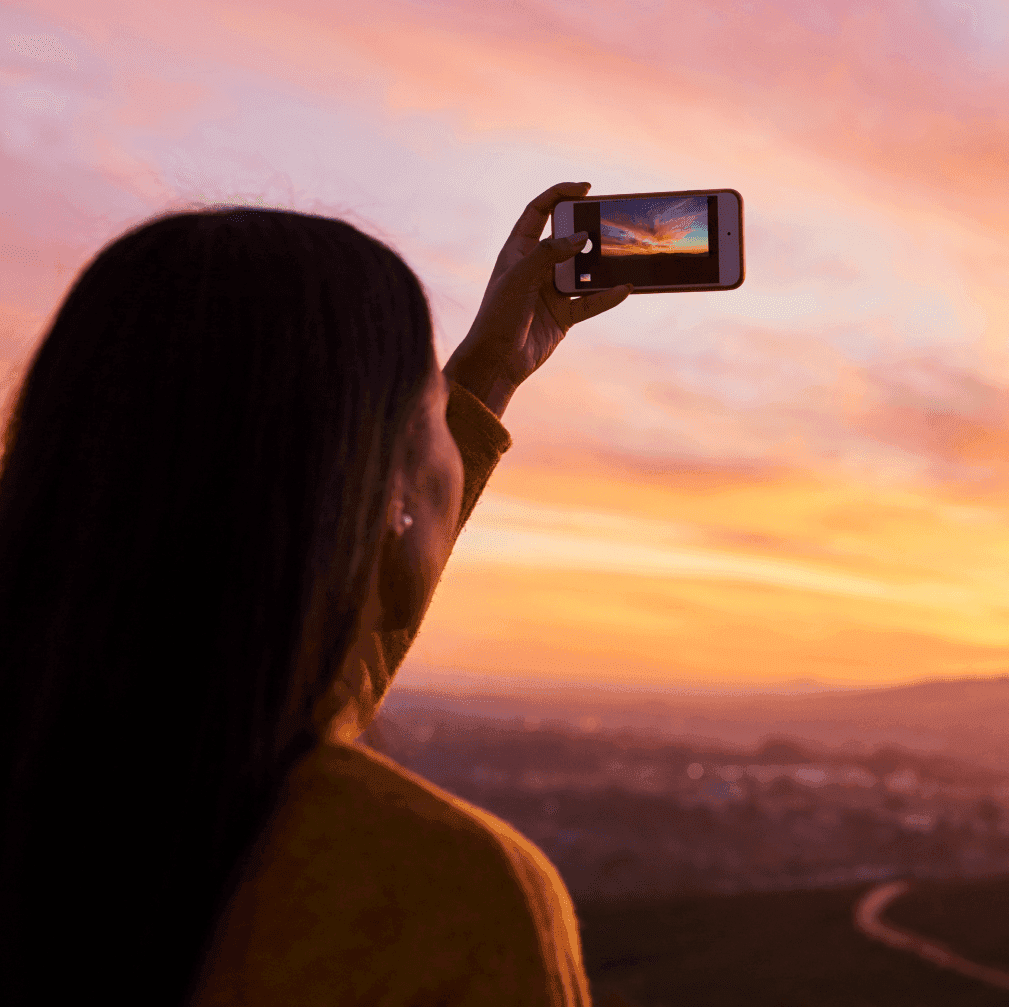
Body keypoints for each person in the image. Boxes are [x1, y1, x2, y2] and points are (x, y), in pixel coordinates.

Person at [0, 183, 632, 1005]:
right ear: (382, 490)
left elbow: (303, 652)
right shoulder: (432, 893)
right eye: (436, 414)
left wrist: (483, 375)